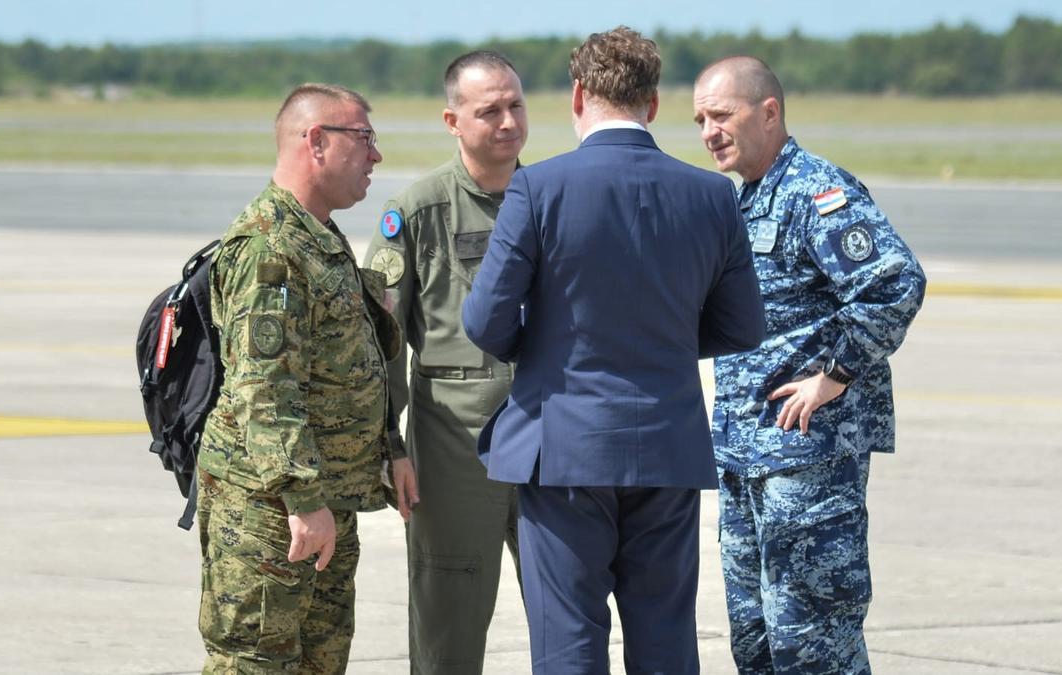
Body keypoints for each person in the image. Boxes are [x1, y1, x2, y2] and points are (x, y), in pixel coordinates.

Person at [462, 28, 765, 674]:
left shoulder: (538, 188)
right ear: (653, 103)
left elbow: (484, 321)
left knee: (569, 640)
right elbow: (743, 325)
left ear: (578, 95)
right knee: (665, 643)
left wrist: (544, 346)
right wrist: (671, 338)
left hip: (565, 445)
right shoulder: (712, 195)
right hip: (668, 443)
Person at [692, 56, 927, 673]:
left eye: (721, 115)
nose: (709, 132)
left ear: (768, 112)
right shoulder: (744, 202)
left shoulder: (816, 192)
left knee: (813, 641)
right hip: (747, 456)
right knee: (757, 642)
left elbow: (894, 284)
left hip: (809, 460)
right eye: (699, 120)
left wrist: (835, 375)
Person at [194, 83, 419, 675]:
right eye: (364, 138)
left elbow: (350, 365)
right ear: (316, 142)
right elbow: (264, 389)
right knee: (255, 665)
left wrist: (388, 450)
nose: (376, 155)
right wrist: (302, 498)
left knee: (320, 665)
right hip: (273, 513)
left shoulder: (318, 239)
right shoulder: (271, 248)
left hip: (325, 502)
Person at [362, 50, 527, 675]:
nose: (508, 122)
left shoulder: (554, 201)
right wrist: (392, 448)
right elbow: (379, 344)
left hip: (549, 435)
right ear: (453, 120)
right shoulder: (417, 212)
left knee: (570, 614)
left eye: (515, 105)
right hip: (455, 444)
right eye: (489, 111)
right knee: (448, 620)